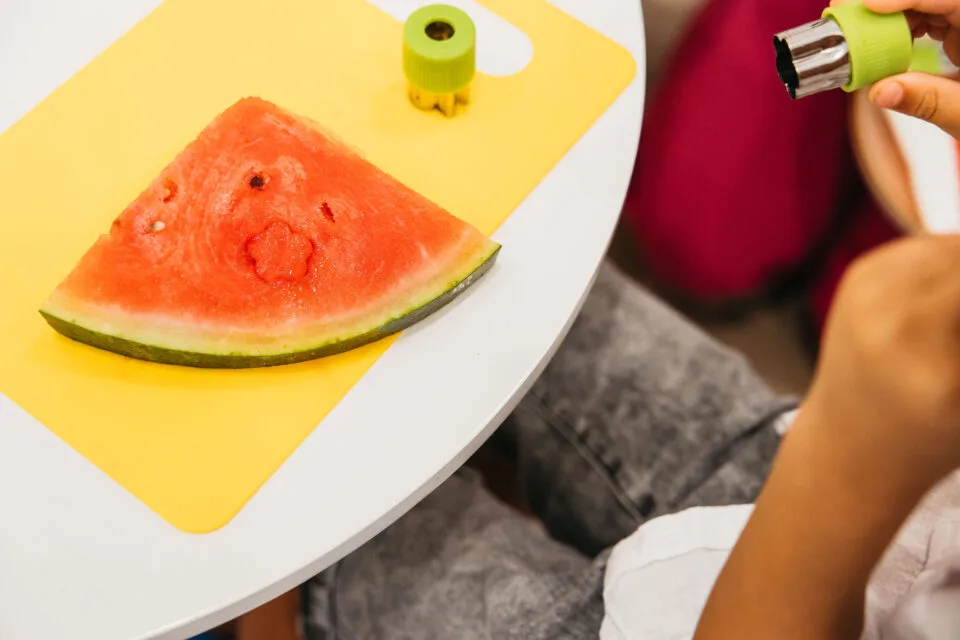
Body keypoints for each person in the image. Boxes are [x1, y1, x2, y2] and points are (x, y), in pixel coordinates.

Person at [292, 1, 960, 637]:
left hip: (824, 533)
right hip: (882, 502)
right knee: (517, 274)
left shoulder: (852, 462)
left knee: (333, 531)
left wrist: (847, 466)